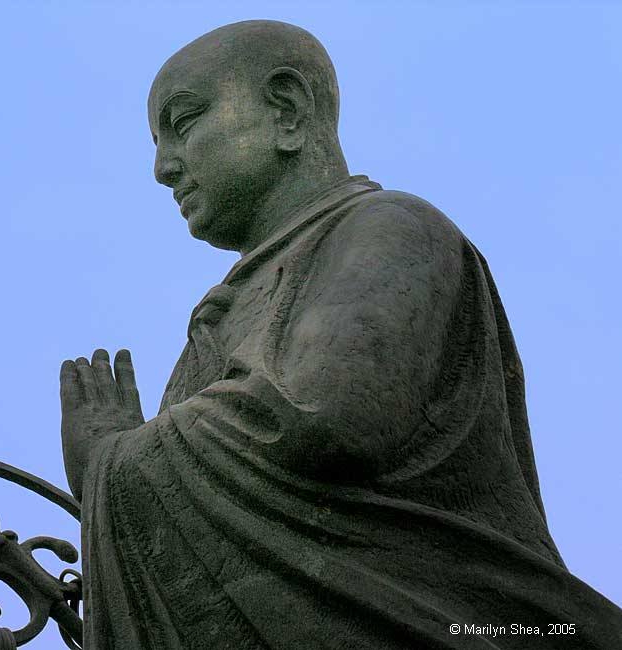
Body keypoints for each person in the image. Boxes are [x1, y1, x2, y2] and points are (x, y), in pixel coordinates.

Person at [59, 20, 622, 648]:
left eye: (184, 123)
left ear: (287, 111)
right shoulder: (223, 312)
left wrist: (113, 458)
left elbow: (322, 419)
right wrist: (114, 475)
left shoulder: (393, 229)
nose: (163, 168)